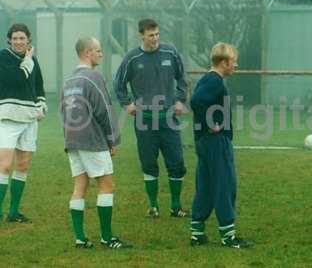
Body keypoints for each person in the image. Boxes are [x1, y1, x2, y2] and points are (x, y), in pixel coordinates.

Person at [60, 37, 132, 249]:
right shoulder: (93, 77)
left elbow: (63, 113)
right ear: (87, 52)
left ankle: (80, 238)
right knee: (107, 186)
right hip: (92, 140)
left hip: (72, 140)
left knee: (80, 187)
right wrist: (113, 140)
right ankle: (107, 238)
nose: (101, 54)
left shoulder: (68, 81)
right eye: (98, 51)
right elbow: (105, 111)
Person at [114, 18, 189, 218]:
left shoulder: (170, 52)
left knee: (176, 162)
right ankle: (153, 206)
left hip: (169, 118)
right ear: (141, 35)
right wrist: (127, 103)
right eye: (150, 35)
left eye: (157, 34)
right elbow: (118, 83)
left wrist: (181, 99)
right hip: (144, 120)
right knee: (148, 163)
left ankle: (175, 207)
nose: (155, 39)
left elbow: (182, 77)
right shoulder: (132, 58)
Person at [190, 42, 252, 248]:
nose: (236, 65)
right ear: (224, 62)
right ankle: (228, 236)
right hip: (215, 142)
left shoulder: (207, 79)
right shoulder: (215, 81)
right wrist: (210, 124)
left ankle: (197, 232)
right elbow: (197, 101)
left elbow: (197, 101)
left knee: (205, 186)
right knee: (225, 184)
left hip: (204, 142)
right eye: (234, 61)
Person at [0, 23, 46, 223]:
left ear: (28, 40)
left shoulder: (33, 60)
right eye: (15, 38)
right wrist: (28, 59)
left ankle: (13, 212)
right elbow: (18, 79)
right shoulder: (3, 57)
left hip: (29, 118)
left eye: (22, 38)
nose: (18, 41)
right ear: (9, 40)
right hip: (8, 117)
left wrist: (41, 106)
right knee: (4, 165)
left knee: (23, 165)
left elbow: (39, 87)